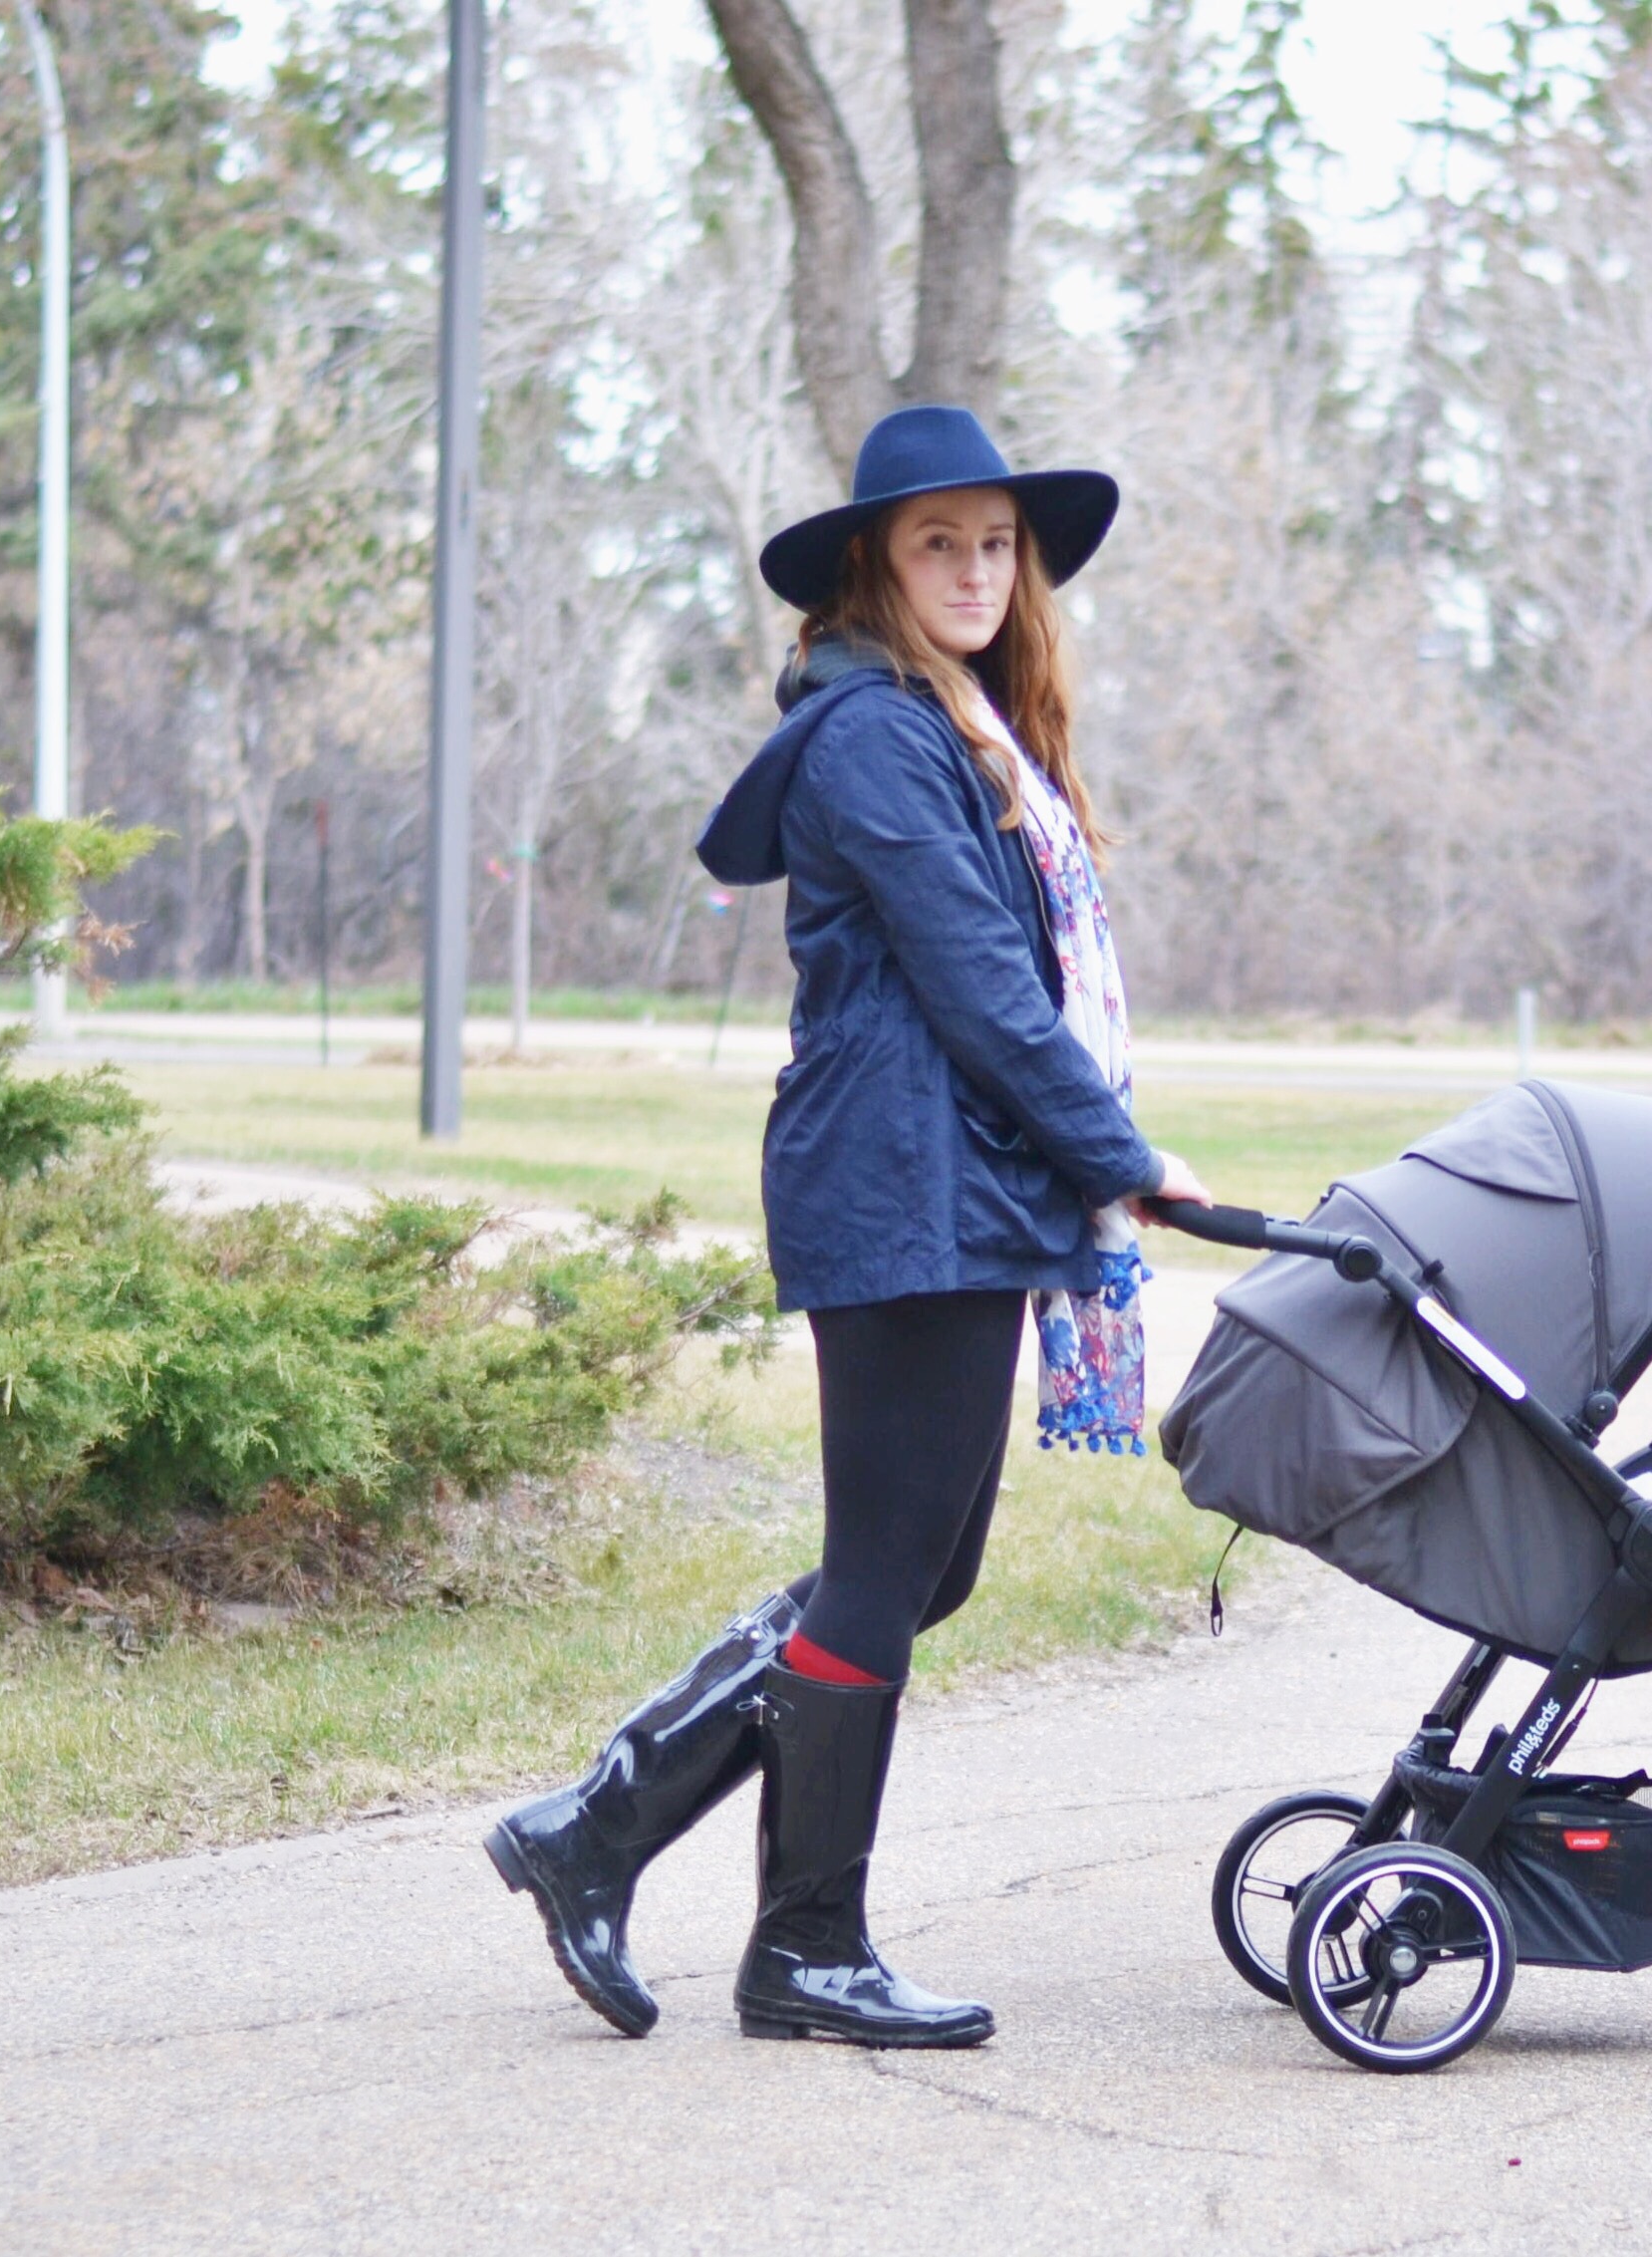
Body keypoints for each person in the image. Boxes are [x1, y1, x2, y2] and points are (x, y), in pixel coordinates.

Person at [485, 405, 1207, 2050]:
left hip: (950, 1186)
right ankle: (796, 1940)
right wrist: (1124, 1153)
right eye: (936, 541)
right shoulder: (881, 738)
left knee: (913, 1569)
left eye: (994, 543)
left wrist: (1087, 1156)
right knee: (888, 1571)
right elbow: (982, 990)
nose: (971, 568)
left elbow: (1003, 992)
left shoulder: (961, 729)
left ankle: (598, 1828)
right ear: (878, 565)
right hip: (906, 1188)